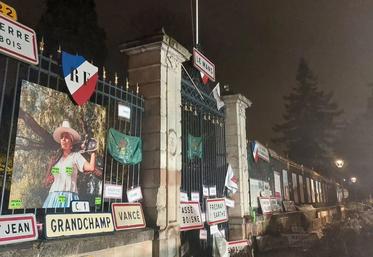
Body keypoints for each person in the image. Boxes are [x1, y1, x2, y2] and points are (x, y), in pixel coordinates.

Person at [43, 120, 96, 208]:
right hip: (53, 198)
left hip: (69, 197)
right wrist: (50, 166)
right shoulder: (56, 160)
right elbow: (45, 183)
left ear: (71, 141)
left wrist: (93, 151)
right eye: (62, 137)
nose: (63, 139)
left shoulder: (76, 156)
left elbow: (91, 168)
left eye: (66, 137)